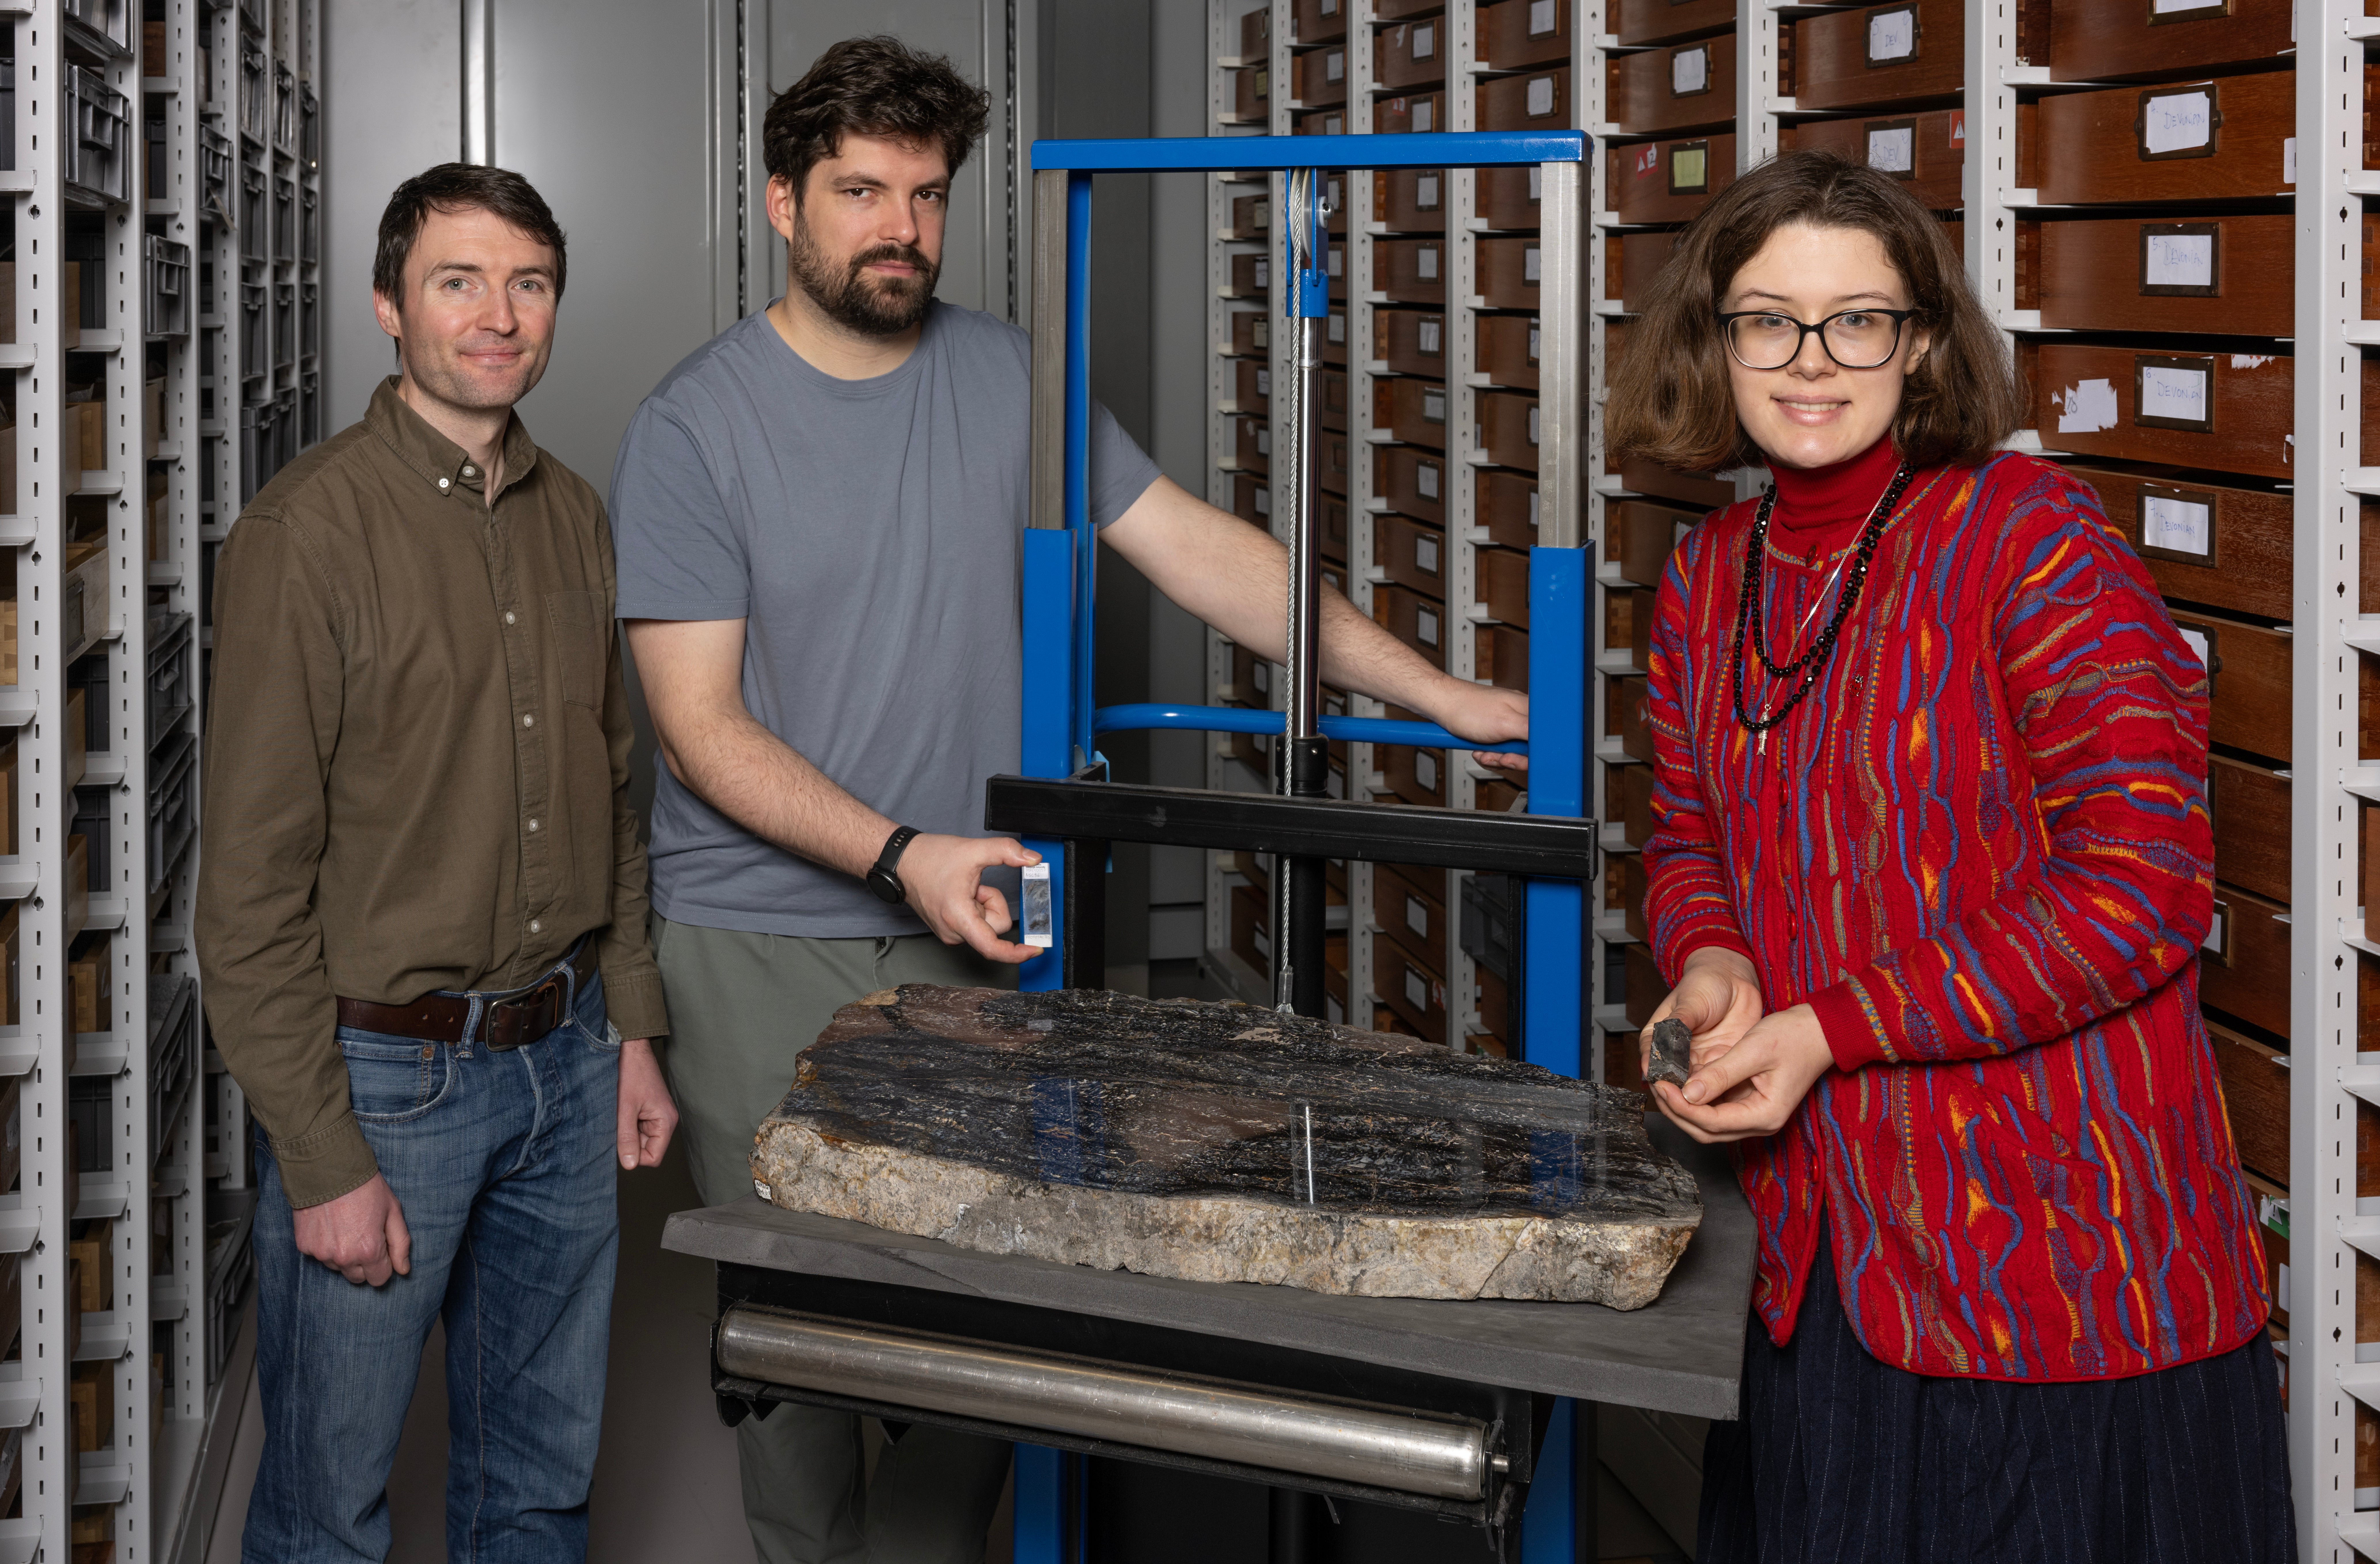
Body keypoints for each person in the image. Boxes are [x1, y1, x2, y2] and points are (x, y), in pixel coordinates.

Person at [608, 33, 1528, 1564]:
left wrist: (1431, 695)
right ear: (782, 203)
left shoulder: (1010, 376)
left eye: (924, 191)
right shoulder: (692, 427)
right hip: (761, 933)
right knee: (807, 1338)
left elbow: (1204, 553)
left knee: (986, 1323)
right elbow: (701, 733)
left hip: (978, 924)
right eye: (858, 191)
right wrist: (897, 853)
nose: (897, 224)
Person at [1605, 149, 2290, 1563]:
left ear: (1919, 347)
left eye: (1858, 320)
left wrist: (1825, 1028)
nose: (1812, 360)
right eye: (1767, 319)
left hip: (2054, 1266)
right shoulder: (1709, 574)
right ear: (1715, 338)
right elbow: (1689, 834)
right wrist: (1717, 963)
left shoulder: (2025, 540)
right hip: (1826, 1263)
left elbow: (2145, 883)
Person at [196, 164, 678, 1563]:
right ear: (387, 308)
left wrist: (634, 1031)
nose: (498, 316)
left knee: (537, 1483)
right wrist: (323, 1155)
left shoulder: (575, 511)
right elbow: (246, 901)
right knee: (326, 1510)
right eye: (458, 282)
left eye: (528, 284)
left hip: (568, 1055)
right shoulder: (307, 536)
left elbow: (614, 791)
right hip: (385, 1087)